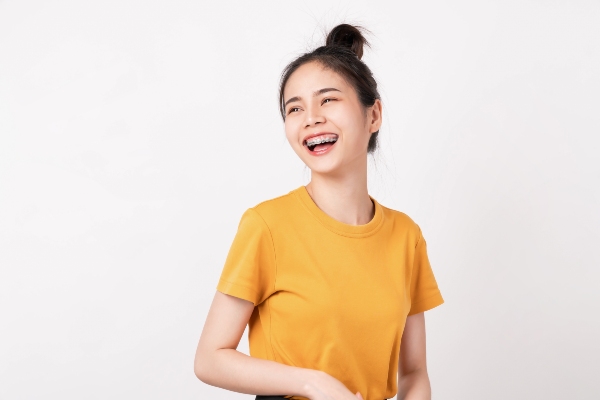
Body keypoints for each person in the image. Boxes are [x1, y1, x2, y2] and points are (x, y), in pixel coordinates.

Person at [194, 23, 444, 400]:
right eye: (295, 108)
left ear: (373, 115)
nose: (311, 117)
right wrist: (313, 383)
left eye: (328, 100)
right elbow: (210, 359)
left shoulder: (406, 236)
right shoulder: (267, 225)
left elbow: (414, 372)